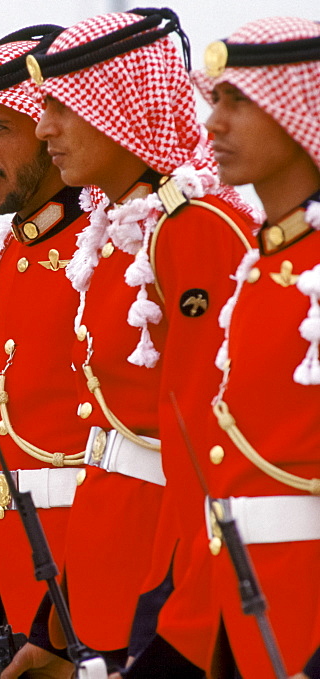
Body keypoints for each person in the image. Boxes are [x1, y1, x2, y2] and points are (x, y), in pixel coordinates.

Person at [25, 8, 256, 674]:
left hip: (170, 575)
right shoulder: (126, 229)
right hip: (112, 570)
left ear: (119, 108)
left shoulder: (198, 230)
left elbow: (211, 452)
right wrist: (56, 618)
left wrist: (176, 609)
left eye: (60, 108)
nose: (43, 130)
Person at [133, 17, 320, 678]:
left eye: (239, 100)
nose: (213, 123)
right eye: (215, 100)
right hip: (237, 618)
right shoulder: (263, 266)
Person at [0, 25, 93, 675]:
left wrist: (66, 622)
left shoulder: (104, 246)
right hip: (23, 585)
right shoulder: (16, 252)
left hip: (85, 599)